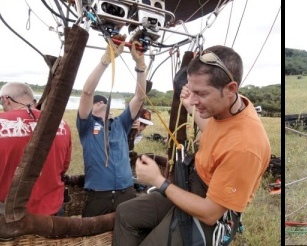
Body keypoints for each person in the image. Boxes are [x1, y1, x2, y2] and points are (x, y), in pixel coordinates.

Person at [113, 45, 271, 245]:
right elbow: (216, 132)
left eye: (201, 93)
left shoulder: (246, 146)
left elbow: (210, 213)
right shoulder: (229, 108)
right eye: (191, 90)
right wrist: (190, 105)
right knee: (126, 213)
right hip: (190, 184)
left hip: (209, 208)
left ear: (231, 89)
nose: (194, 100)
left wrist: (159, 181)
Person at [76, 33, 148, 217]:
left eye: (102, 101)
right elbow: (86, 91)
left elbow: (140, 97)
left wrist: (140, 66)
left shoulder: (121, 124)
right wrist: (106, 60)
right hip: (99, 195)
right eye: (96, 102)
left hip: (127, 192)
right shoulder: (86, 126)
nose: (100, 102)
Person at [0, 82, 71, 216]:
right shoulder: (61, 124)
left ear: (6, 100)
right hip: (52, 211)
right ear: (34, 101)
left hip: (9, 214)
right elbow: (63, 166)